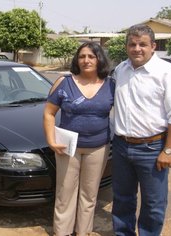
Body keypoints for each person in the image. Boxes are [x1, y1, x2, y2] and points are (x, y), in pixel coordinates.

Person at [111, 24, 171, 236]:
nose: (137, 48)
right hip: (120, 146)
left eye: (143, 44)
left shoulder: (169, 73)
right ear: (126, 46)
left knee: (154, 204)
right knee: (122, 199)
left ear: (153, 46)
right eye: (132, 44)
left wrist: (169, 150)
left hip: (153, 148)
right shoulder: (120, 70)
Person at [43, 42, 115, 236]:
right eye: (82, 56)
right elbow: (49, 113)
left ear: (99, 59)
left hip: (98, 147)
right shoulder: (64, 82)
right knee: (65, 193)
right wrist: (51, 140)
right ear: (77, 60)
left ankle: (83, 232)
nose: (86, 60)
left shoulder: (110, 84)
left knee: (89, 195)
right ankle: (62, 232)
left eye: (91, 56)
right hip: (68, 147)